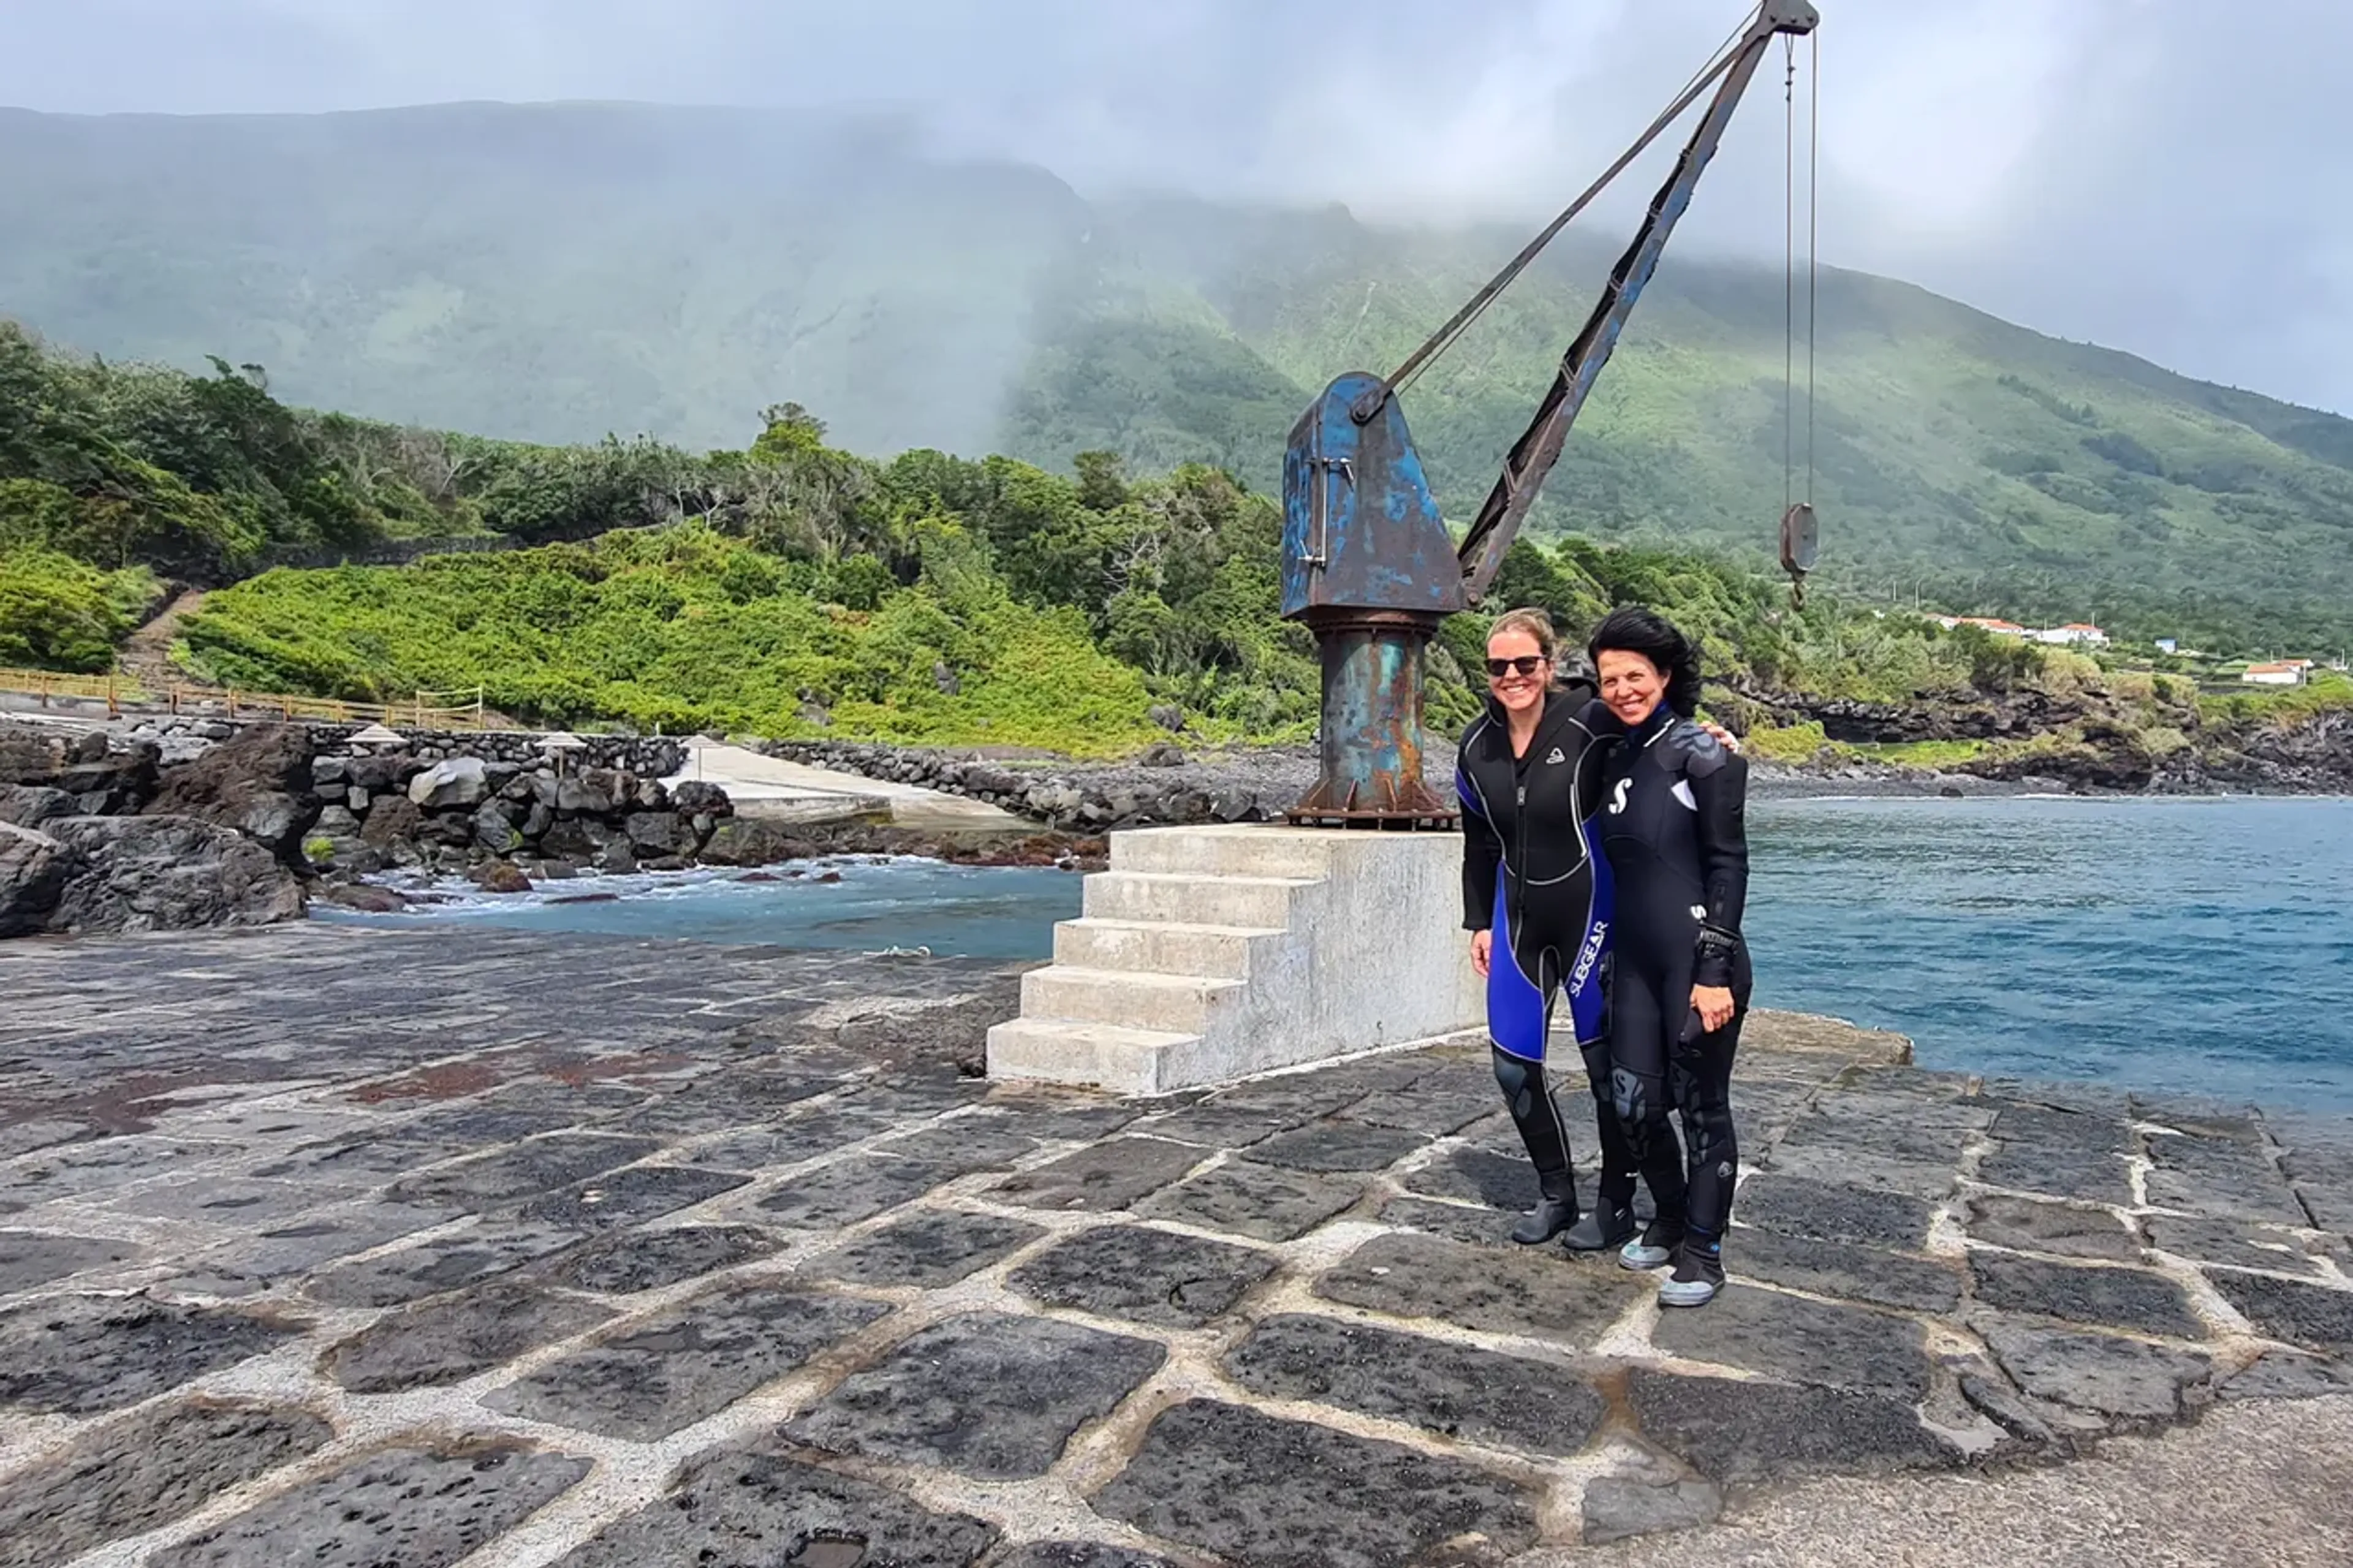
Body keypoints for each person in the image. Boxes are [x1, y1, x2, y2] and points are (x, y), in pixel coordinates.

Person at [1455, 608, 1641, 1250]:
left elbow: (1658, 739)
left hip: (1593, 914)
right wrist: (1477, 920)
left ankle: (1616, 1203)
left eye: (1525, 664)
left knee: (1605, 1071)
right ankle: (1557, 1192)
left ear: (1549, 663)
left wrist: (1711, 747)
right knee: (1513, 1066)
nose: (1513, 677)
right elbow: (1478, 844)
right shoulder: (1476, 747)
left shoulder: (1591, 719)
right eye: (1499, 667)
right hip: (1518, 922)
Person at [1586, 605, 1752, 1308]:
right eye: (1610, 678)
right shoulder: (1611, 750)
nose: (1623, 689)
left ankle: (1705, 1255)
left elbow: (1729, 864)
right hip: (1634, 965)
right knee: (1633, 1105)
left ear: (1667, 675)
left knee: (1701, 1108)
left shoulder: (1704, 752)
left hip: (1697, 965)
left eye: (1636, 676)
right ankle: (1672, 1215)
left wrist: (1714, 972)